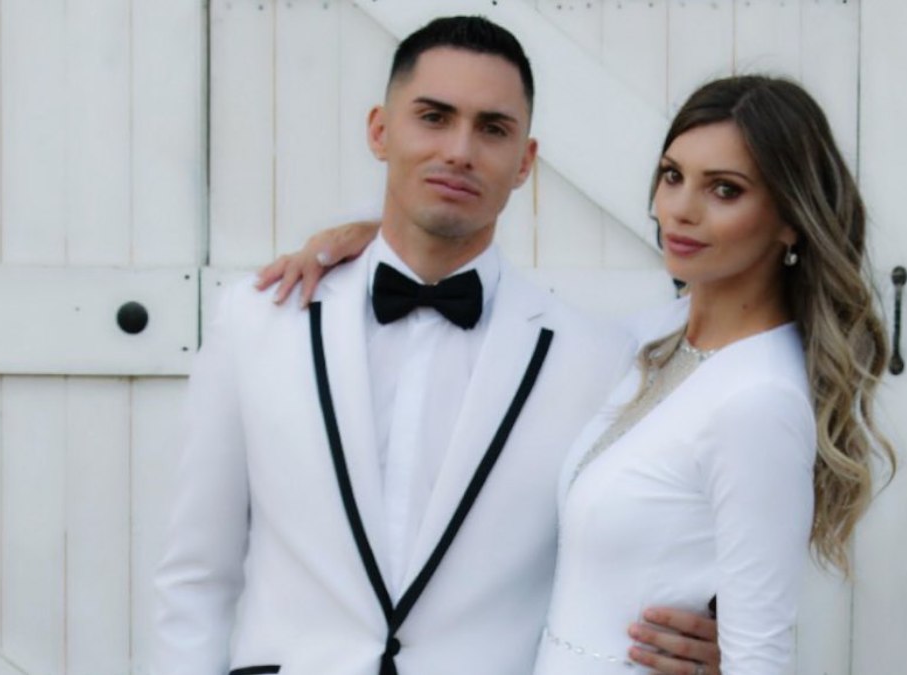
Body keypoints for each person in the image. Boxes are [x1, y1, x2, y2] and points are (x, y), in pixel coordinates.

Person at [261, 75, 896, 674]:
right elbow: (520, 318)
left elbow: (760, 657)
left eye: (725, 190)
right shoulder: (659, 340)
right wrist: (377, 239)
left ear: (790, 218)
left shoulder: (758, 399)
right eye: (672, 176)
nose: (680, 210)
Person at [154, 15, 719, 675]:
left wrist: (717, 643)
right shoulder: (258, 322)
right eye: (433, 117)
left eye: (493, 129)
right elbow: (197, 575)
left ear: (525, 161)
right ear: (380, 130)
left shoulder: (597, 359)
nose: (459, 150)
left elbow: (639, 557)